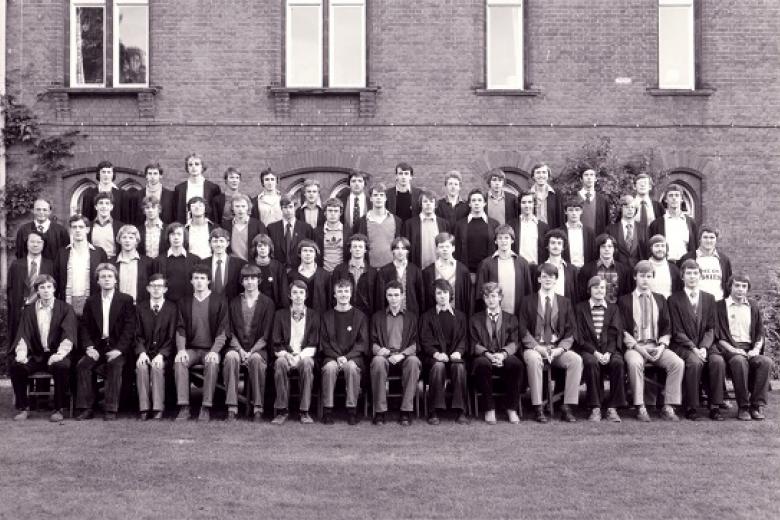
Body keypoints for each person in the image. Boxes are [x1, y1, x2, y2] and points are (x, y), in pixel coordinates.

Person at [619, 260, 684, 422]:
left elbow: (667, 327)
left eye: (649, 276)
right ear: (635, 277)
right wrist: (639, 349)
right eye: (642, 276)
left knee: (677, 363)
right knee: (634, 364)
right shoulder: (624, 300)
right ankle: (640, 406)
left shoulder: (660, 299)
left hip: (656, 346)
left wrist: (662, 347)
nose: (645, 279)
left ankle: (668, 406)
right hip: (635, 347)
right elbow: (622, 330)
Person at [520, 263, 581, 423]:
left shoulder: (565, 302)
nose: (548, 279)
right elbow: (522, 329)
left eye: (551, 277)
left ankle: (567, 407)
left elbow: (571, 331)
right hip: (534, 347)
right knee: (534, 359)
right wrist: (537, 348)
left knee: (576, 360)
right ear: (539, 279)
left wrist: (560, 350)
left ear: (556, 280)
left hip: (556, 348)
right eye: (544, 276)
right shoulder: (527, 301)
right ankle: (538, 407)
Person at [10, 275, 77, 422]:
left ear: (54, 289)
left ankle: (58, 409)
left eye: (49, 287)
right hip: (36, 355)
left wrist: (60, 354)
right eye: (42, 287)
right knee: (17, 367)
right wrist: (21, 353)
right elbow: (23, 334)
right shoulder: (29, 310)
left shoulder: (65, 309)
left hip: (57, 354)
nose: (46, 290)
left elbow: (68, 334)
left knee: (62, 366)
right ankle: (23, 408)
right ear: (37, 291)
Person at [74, 263, 136, 421]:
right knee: (83, 365)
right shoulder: (91, 301)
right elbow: (84, 327)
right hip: (97, 346)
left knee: (114, 365)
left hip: (118, 347)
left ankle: (110, 409)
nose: (107, 279)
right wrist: (89, 347)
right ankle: (87, 408)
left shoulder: (126, 300)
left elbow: (130, 328)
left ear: (116, 280)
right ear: (98, 281)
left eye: (110, 276)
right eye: (103, 277)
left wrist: (119, 350)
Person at [668, 259, 725, 421]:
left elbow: (711, 328)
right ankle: (691, 406)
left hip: (706, 344)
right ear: (682, 277)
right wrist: (694, 348)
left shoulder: (709, 298)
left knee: (717, 362)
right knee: (694, 362)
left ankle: (715, 406)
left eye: (695, 273)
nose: (692, 277)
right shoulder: (674, 300)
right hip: (683, 345)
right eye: (688, 273)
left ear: (700, 276)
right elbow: (677, 331)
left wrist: (704, 348)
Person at [173, 266, 229, 422]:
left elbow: (223, 330)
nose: (199, 282)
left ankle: (206, 406)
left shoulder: (219, 300)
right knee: (180, 361)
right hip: (191, 349)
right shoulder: (184, 302)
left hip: (210, 350)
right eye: (196, 278)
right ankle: (184, 407)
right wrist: (181, 350)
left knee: (211, 363)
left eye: (203, 278)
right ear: (191, 281)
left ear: (208, 281)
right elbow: (180, 328)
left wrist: (214, 351)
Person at [715, 274, 774, 420]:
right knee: (739, 361)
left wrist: (755, 350)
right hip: (729, 349)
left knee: (766, 362)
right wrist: (734, 350)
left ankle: (756, 406)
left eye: (744, 286)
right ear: (730, 287)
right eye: (737, 285)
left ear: (747, 288)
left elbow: (760, 332)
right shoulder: (720, 306)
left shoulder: (753, 306)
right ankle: (743, 407)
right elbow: (718, 336)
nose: (740, 289)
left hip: (750, 349)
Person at [224, 265, 275, 422]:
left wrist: (252, 351)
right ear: (242, 281)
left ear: (259, 280)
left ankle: (258, 407)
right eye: (246, 279)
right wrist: (239, 350)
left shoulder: (267, 303)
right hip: (237, 348)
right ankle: (232, 408)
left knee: (256, 360)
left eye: (253, 279)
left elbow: (267, 334)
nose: (250, 282)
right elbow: (229, 330)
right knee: (231, 357)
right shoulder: (234, 303)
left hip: (259, 350)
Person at [470, 282, 525, 424]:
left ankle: (511, 408)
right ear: (483, 298)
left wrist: (502, 355)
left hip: (504, 354)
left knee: (516, 365)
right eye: (487, 296)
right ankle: (489, 408)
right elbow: (474, 343)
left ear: (500, 297)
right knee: (481, 365)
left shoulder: (511, 318)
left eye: (494, 296)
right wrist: (488, 355)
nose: (491, 300)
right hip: (484, 356)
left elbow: (515, 342)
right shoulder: (475, 319)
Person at [370, 281, 422, 426]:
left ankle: (405, 411)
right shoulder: (377, 317)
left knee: (414, 362)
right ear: (386, 297)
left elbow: (417, 343)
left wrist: (403, 354)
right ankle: (380, 412)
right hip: (385, 357)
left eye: (396, 295)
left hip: (404, 356)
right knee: (377, 361)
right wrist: (380, 351)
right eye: (390, 295)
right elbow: (371, 342)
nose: (393, 298)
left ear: (402, 296)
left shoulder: (411, 317)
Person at [575, 276, 626, 422]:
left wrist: (609, 352)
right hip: (589, 350)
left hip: (609, 350)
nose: (599, 290)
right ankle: (595, 407)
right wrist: (595, 353)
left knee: (618, 363)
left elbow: (615, 332)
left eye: (602, 287)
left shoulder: (613, 308)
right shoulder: (580, 308)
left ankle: (612, 408)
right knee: (591, 363)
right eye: (596, 287)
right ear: (589, 290)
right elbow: (580, 336)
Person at [320, 278, 369, 425]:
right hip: (331, 357)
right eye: (339, 291)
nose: (343, 294)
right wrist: (337, 357)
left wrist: (347, 358)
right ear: (334, 294)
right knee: (329, 368)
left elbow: (363, 343)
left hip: (353, 358)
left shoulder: (360, 316)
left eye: (346, 291)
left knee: (352, 368)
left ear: (351, 293)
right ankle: (328, 410)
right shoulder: (327, 316)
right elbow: (324, 342)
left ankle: (352, 410)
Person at [419, 279, 469, 424]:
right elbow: (425, 340)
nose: (442, 296)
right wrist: (436, 354)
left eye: (445, 292)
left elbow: (464, 339)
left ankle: (460, 410)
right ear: (434, 296)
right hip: (434, 358)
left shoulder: (460, 316)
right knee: (438, 366)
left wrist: (458, 352)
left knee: (459, 367)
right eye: (439, 293)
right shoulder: (427, 316)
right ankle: (434, 410)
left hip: (455, 357)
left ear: (450, 294)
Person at [271, 280, 320, 424]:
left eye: (301, 292)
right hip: (285, 355)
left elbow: (314, 343)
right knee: (279, 363)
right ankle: (282, 411)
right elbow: (276, 342)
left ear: (306, 295)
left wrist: (299, 356)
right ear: (289, 295)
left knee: (306, 364)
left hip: (305, 355)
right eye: (295, 292)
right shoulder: (280, 315)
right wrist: (286, 354)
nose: (298, 296)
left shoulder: (314, 315)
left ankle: (304, 411)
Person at [134, 274, 178, 420]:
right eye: (153, 286)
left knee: (157, 367)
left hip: (164, 353)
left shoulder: (172, 308)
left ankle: (158, 407)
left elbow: (172, 336)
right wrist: (141, 353)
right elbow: (137, 334)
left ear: (165, 289)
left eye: (160, 286)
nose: (156, 289)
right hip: (145, 352)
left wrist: (162, 354)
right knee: (141, 367)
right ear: (148, 288)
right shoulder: (140, 308)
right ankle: (144, 408)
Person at [54, 214, 108, 316]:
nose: (78, 230)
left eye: (81, 227)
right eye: (74, 227)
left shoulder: (99, 252)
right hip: (68, 300)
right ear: (70, 230)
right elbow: (56, 278)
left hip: (92, 300)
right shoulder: (62, 253)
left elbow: (105, 278)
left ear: (87, 229)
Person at [7, 231, 54, 349]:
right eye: (32, 241)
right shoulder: (16, 265)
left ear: (43, 245)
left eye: (39, 242)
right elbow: (10, 290)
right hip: (20, 311)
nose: (35, 244)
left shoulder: (50, 265)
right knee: (20, 344)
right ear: (26, 244)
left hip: (43, 309)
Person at [475, 225, 532, 316]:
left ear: (512, 240)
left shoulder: (522, 263)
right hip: (493, 315)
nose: (503, 241)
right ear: (496, 241)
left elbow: (528, 291)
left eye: (506, 238)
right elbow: (480, 293)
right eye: (500, 238)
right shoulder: (486, 264)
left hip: (517, 314)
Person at [331, 233, 383, 318]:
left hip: (366, 315)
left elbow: (377, 299)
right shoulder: (339, 270)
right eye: (354, 246)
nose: (357, 249)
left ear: (365, 250)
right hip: (343, 313)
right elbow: (333, 295)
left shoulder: (373, 273)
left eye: (360, 247)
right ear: (350, 249)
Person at [422, 232, 473, 315]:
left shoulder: (463, 271)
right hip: (435, 318)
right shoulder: (428, 272)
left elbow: (468, 299)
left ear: (453, 248)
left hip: (458, 318)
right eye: (441, 247)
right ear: (436, 249)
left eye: (447, 246)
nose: (444, 249)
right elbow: (425, 299)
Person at [679, 226, 733, 301]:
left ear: (716, 240)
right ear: (699, 239)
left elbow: (728, 283)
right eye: (705, 237)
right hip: (696, 304)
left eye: (712, 237)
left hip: (718, 303)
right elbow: (680, 282)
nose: (708, 240)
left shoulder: (724, 260)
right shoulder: (687, 258)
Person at [453, 189, 499, 276]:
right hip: (467, 272)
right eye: (473, 200)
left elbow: (497, 249)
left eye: (479, 200)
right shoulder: (460, 225)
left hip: (488, 271)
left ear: (484, 203)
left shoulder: (494, 224)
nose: (476, 203)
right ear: (469, 204)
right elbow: (456, 250)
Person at [356, 183, 402, 268]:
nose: (378, 198)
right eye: (375, 195)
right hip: (369, 269)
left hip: (391, 268)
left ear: (385, 198)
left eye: (381, 195)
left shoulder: (396, 220)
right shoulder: (362, 221)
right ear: (371, 198)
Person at [648, 184, 698, 262]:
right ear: (666, 200)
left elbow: (695, 247)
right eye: (670, 195)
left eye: (677, 195)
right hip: (665, 265)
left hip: (686, 266)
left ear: (681, 199)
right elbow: (651, 248)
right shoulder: (656, 224)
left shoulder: (691, 223)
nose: (674, 198)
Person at [577, 234, 633, 304]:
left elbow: (627, 294)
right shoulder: (586, 270)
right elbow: (582, 294)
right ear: (598, 249)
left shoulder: (625, 270)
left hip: (617, 311)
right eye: (603, 246)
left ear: (614, 249)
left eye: (610, 246)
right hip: (594, 309)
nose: (607, 249)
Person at [155, 223, 202, 303]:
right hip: (166, 304)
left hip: (189, 304)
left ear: (184, 237)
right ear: (168, 237)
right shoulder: (158, 260)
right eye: (172, 234)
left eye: (179, 234)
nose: (176, 237)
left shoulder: (195, 260)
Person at [403, 189, 449, 270]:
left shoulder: (444, 224)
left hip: (439, 269)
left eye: (431, 201)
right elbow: (406, 249)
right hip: (417, 269)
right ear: (421, 204)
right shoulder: (410, 224)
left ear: (435, 204)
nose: (428, 204)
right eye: (425, 201)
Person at [267, 196, 315, 271]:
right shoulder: (271, 228)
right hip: (277, 270)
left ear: (295, 207)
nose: (288, 210)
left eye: (290, 207)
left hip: (299, 270)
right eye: (285, 207)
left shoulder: (306, 228)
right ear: (281, 209)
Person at [378, 237, 424, 315]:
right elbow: (380, 298)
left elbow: (421, 296)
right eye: (397, 248)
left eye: (403, 248)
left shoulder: (415, 270)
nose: (400, 251)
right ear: (392, 251)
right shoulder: (384, 271)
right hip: (390, 315)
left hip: (411, 314)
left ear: (407, 251)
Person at [174, 153, 221, 224]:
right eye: (190, 164)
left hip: (206, 228)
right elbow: (176, 212)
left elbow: (216, 213)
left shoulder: (213, 188)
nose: (193, 167)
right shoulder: (180, 189)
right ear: (187, 168)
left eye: (197, 164)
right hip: (185, 228)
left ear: (202, 167)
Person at [113, 224, 155, 304]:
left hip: (140, 306)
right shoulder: (112, 262)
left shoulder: (148, 262)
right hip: (117, 306)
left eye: (131, 238)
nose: (127, 240)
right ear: (119, 240)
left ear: (137, 241)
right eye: (124, 237)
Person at [203, 228, 247, 300]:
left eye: (221, 241)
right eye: (215, 241)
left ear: (227, 243)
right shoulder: (203, 264)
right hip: (209, 305)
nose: (218, 244)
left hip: (232, 306)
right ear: (210, 243)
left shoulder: (240, 264)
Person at [287, 240, 332, 310]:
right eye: (305, 250)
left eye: (311, 251)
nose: (308, 254)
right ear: (299, 254)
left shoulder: (325, 275)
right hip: (298, 316)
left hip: (319, 316)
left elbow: (329, 299)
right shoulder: (291, 275)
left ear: (315, 254)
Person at [222, 193, 266, 262]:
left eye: (243, 206)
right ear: (232, 208)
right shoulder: (226, 225)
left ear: (248, 207)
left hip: (251, 264)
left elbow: (264, 245)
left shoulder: (258, 225)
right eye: (237, 206)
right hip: (231, 264)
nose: (240, 209)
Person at [249, 233, 289, 309]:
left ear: (270, 248)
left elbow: (283, 292)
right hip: (254, 307)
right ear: (255, 248)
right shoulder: (250, 266)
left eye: (265, 245)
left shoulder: (278, 267)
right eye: (259, 246)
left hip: (274, 307)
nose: (262, 248)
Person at [538, 229, 578, 301]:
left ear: (563, 247)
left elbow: (575, 295)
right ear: (547, 246)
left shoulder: (572, 270)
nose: (556, 246)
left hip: (565, 309)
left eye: (559, 243)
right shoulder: (539, 268)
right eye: (553, 243)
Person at [313, 197, 350, 272]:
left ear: (340, 213)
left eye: (336, 211)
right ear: (325, 213)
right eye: (330, 211)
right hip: (323, 273)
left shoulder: (348, 232)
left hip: (342, 272)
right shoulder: (316, 232)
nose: (333, 214)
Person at [607, 194, 643, 269]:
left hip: (638, 270)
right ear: (621, 209)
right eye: (627, 207)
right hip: (618, 269)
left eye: (632, 207)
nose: (630, 209)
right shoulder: (610, 229)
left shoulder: (643, 229)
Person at [559, 196, 596, 269]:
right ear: (565, 211)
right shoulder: (560, 232)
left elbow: (593, 254)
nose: (574, 213)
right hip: (566, 270)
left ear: (581, 211)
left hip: (585, 270)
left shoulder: (589, 232)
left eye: (577, 210)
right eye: (570, 210)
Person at [515, 191, 549, 266]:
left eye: (530, 202)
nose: (527, 205)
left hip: (537, 267)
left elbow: (546, 250)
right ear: (519, 204)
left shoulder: (543, 227)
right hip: (518, 267)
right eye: (524, 202)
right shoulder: (512, 225)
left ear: (534, 204)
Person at [88, 192, 123, 260]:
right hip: (95, 263)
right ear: (96, 207)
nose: (104, 206)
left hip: (113, 264)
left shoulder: (120, 227)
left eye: (107, 203)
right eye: (101, 203)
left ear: (111, 207)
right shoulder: (88, 226)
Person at [578, 168, 611, 235]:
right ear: (581, 179)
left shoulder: (603, 200)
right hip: (577, 238)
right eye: (586, 175)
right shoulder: (573, 198)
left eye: (592, 175)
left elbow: (607, 224)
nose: (589, 177)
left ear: (595, 179)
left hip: (597, 239)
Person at [528, 163, 561, 228]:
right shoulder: (527, 195)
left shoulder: (556, 194)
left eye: (544, 172)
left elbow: (560, 218)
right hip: (532, 232)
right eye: (538, 172)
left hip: (551, 233)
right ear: (533, 176)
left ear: (548, 176)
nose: (541, 175)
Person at [632, 173, 664, 241]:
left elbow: (663, 228)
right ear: (634, 187)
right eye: (640, 183)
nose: (642, 185)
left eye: (645, 183)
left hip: (653, 245)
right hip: (633, 246)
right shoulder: (628, 206)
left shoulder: (658, 206)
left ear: (650, 187)